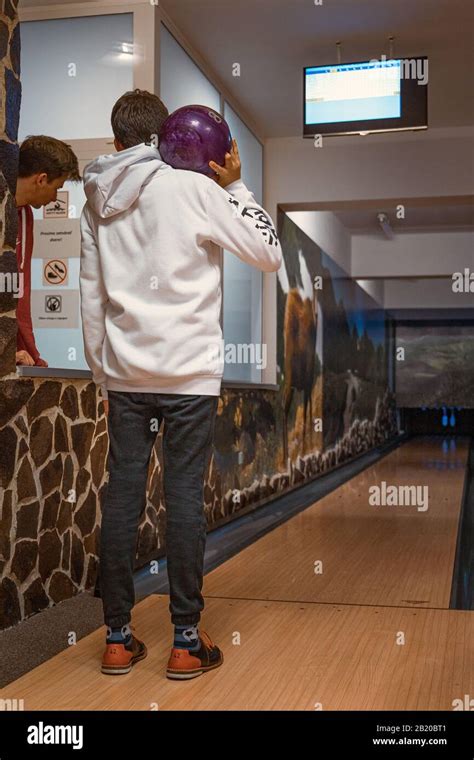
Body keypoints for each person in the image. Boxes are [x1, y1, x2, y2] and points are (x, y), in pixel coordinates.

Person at [79, 89, 282, 680]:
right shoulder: (194, 187)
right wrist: (236, 187)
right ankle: (186, 642)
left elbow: (91, 295)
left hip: (126, 376)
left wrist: (105, 370)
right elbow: (267, 253)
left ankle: (117, 639)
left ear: (118, 140)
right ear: (163, 137)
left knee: (122, 497)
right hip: (189, 375)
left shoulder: (95, 200)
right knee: (184, 499)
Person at [15, 136, 80, 367]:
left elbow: (18, 290)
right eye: (56, 188)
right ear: (42, 179)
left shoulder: (25, 216)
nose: (55, 198)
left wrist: (21, 348)